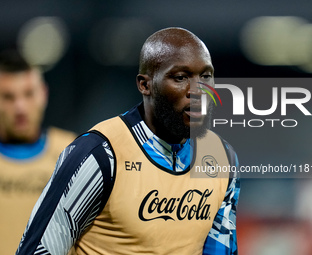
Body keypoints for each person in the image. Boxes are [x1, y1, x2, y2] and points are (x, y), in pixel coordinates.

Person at [16, 27, 240, 255]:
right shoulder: (99, 153)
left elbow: (220, 250)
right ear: (145, 85)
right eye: (181, 78)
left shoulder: (222, 157)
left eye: (205, 76)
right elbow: (37, 250)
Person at [0, 49, 76, 254]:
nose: (20, 108)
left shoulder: (73, 154)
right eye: (8, 97)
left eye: (28, 94)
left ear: (43, 94)